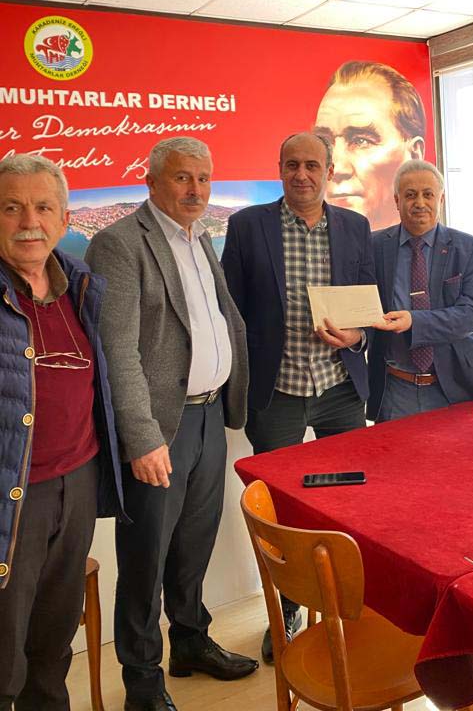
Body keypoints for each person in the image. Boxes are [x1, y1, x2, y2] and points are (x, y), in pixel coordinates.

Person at [86, 138, 254, 711]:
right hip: (160, 429)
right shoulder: (118, 244)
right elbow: (117, 350)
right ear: (152, 182)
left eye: (204, 178)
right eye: (182, 178)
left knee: (193, 543)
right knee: (146, 558)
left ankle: (189, 641)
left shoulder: (200, 237)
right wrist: (141, 437)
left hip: (209, 416)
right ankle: (141, 682)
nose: (195, 189)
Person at [222, 131, 375, 663]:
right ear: (280, 168)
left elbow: (367, 306)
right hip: (277, 392)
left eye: (312, 165)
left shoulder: (355, 227)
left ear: (329, 171)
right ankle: (286, 608)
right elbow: (232, 310)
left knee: (350, 501)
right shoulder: (247, 226)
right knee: (280, 511)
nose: (302, 174)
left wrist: (358, 336)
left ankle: (350, 602)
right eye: (292, 165)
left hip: (340, 389)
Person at [0, 154, 123, 711]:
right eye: (12, 207)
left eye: (43, 207)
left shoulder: (79, 283)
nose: (30, 221)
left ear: (65, 218)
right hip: (13, 497)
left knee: (53, 641)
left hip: (77, 484)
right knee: (4, 654)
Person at [369, 159, 473, 421]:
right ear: (396, 201)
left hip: (455, 387)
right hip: (394, 388)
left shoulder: (469, 248)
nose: (419, 203)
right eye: (410, 195)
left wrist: (414, 322)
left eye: (428, 194)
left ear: (441, 199)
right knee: (394, 449)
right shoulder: (374, 246)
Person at [314, 60, 426, 230]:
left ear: (414, 156)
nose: (336, 168)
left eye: (361, 141)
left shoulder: (444, 244)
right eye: (324, 142)